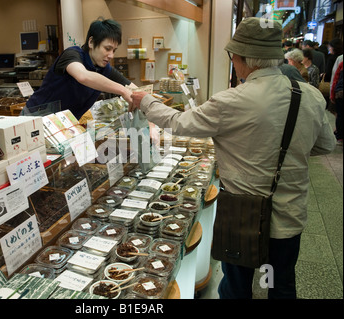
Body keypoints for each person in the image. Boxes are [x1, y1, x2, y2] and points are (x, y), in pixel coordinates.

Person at [129, 17, 336, 299]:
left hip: (242, 218)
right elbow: (325, 145)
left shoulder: (232, 101)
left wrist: (145, 101)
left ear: (242, 59)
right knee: (278, 282)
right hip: (289, 217)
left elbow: (179, 122)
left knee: (237, 288)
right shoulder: (310, 96)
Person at [22, 18, 137, 119]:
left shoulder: (104, 69)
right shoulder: (72, 55)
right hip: (35, 118)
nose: (111, 55)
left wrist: (148, 99)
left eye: (114, 50)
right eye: (107, 48)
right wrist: (122, 90)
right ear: (91, 42)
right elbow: (83, 76)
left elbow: (135, 88)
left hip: (62, 124)